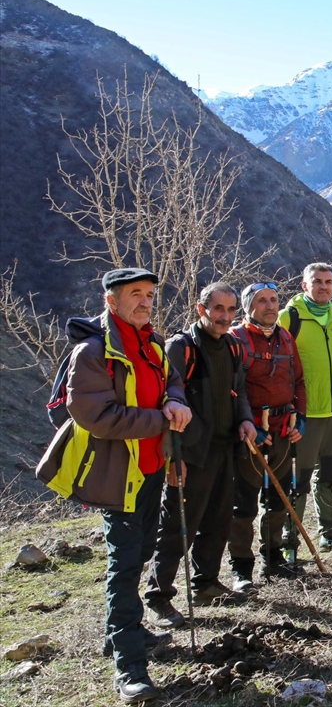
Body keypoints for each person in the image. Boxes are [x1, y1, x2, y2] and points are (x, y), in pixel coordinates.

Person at [60, 268, 191, 703]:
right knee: (125, 564)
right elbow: (95, 416)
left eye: (150, 294)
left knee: (142, 551)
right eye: (135, 293)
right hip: (118, 475)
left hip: (151, 468)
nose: (145, 302)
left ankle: (117, 634)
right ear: (111, 300)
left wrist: (175, 401)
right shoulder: (93, 351)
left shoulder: (151, 342)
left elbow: (172, 382)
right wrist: (161, 420)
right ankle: (129, 668)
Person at [146, 283, 256, 625]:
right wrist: (173, 458)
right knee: (178, 527)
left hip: (225, 448)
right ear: (201, 309)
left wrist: (246, 420)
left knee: (218, 521)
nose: (225, 316)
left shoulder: (234, 346)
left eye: (231, 309)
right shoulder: (181, 348)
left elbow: (239, 391)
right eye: (218, 308)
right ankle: (159, 598)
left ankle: (206, 583)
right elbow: (166, 402)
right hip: (191, 452)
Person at [228, 282, 306, 592]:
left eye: (273, 300)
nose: (270, 306)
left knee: (279, 499)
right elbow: (233, 389)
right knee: (244, 504)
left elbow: (298, 381)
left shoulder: (285, 337)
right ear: (248, 306)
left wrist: (301, 418)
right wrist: (248, 422)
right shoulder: (236, 340)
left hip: (283, 431)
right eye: (261, 300)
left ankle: (273, 557)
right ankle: (241, 568)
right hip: (250, 435)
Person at [283, 263, 332, 554]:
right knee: (298, 481)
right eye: (317, 281)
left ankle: (331, 534)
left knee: (329, 476)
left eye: (328, 282)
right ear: (305, 285)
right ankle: (289, 543)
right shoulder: (289, 318)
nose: (323, 287)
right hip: (305, 415)